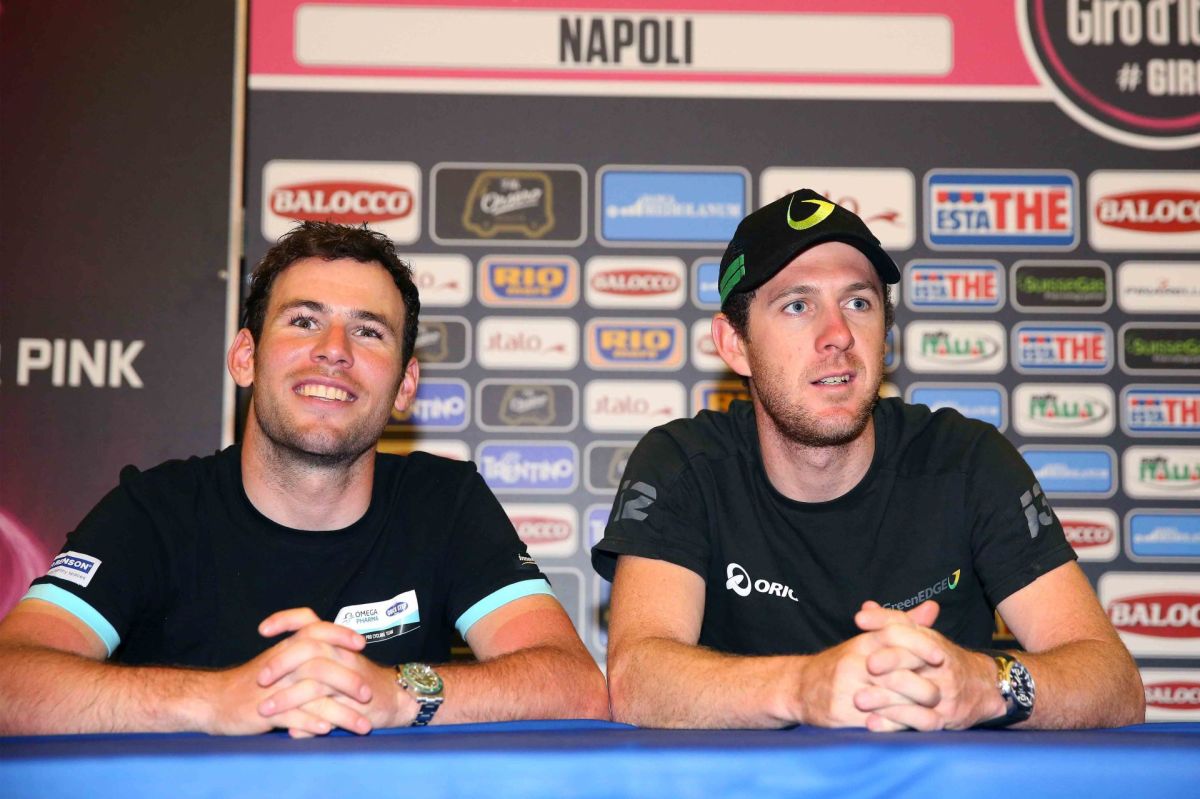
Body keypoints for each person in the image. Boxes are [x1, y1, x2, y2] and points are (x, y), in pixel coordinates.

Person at [0, 221, 608, 736]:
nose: (334, 350)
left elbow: (576, 685)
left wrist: (399, 693)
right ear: (245, 357)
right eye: (303, 321)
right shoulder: (154, 510)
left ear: (405, 385)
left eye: (368, 331)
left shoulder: (443, 503)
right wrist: (218, 699)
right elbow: (11, 679)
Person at [592, 189, 1143, 731]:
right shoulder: (684, 464)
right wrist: (803, 688)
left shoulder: (965, 461)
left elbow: (1114, 684)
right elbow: (638, 681)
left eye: (858, 303)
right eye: (797, 305)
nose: (837, 335)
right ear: (735, 344)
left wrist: (983, 686)